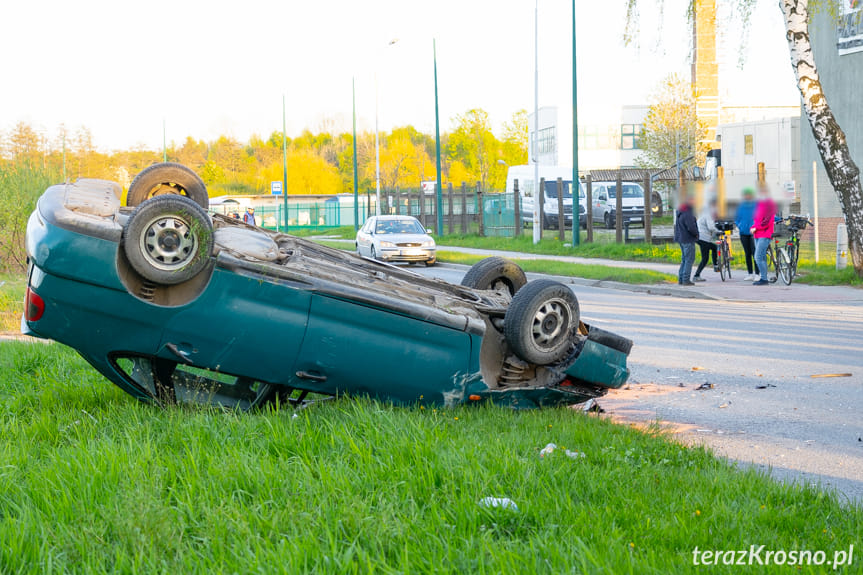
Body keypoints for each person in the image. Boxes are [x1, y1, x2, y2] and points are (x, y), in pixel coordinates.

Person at [751, 185, 776, 286]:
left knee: (757, 257)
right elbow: (756, 219)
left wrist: (756, 228)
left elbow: (767, 222)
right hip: (757, 234)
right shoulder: (759, 204)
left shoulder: (769, 204)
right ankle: (764, 278)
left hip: (765, 234)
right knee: (762, 258)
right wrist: (753, 227)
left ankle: (764, 279)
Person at [673, 193, 699, 286]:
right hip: (688, 239)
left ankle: (681, 279)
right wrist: (696, 234)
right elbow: (691, 227)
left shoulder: (680, 211)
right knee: (689, 259)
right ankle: (685, 280)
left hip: (681, 238)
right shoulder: (688, 212)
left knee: (684, 259)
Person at [735, 187, 759, 281]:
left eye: (749, 194)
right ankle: (750, 273)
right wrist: (740, 226)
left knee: (755, 253)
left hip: (754, 232)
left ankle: (758, 274)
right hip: (743, 232)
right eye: (746, 194)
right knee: (747, 253)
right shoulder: (741, 206)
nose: (747, 196)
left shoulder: (756, 205)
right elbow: (737, 218)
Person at [693, 200, 718, 282]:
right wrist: (718, 231)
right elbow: (711, 227)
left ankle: (715, 265)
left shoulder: (703, 213)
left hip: (699, 237)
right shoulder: (708, 214)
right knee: (705, 258)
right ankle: (696, 275)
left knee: (714, 247)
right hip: (703, 238)